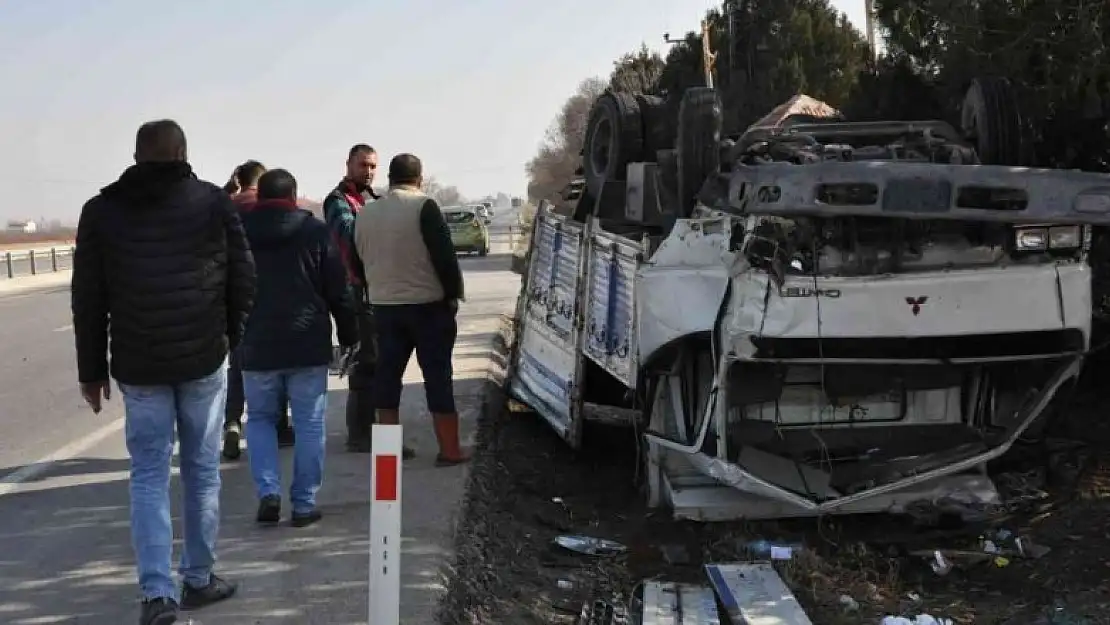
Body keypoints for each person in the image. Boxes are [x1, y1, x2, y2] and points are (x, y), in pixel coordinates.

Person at [71, 119, 252, 624]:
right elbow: (244, 276)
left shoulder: (101, 211)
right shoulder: (213, 202)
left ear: (135, 155)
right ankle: (197, 578)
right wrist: (228, 338)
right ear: (183, 153)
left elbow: (88, 300)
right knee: (201, 471)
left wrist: (91, 371)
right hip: (202, 360)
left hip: (139, 363)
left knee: (148, 475)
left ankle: (157, 596)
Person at [237, 169, 359, 526]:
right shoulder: (315, 232)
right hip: (307, 344)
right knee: (309, 424)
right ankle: (303, 504)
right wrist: (350, 335)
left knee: (259, 419)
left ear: (260, 198)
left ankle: (268, 493)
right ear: (293, 196)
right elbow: (340, 290)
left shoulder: (241, 235)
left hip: (257, 345)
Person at [353, 153, 469, 466]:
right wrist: (453, 295)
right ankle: (449, 450)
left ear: (389, 178)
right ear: (419, 178)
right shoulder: (424, 206)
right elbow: (445, 257)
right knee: (437, 376)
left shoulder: (365, 213)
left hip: (384, 307)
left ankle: (387, 454)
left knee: (387, 377)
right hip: (428, 307)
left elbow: (356, 260)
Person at [221, 160, 295, 460]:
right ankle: (277, 424)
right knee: (274, 363)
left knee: (238, 364)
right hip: (271, 296)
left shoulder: (225, 206)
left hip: (233, 297)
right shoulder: (264, 206)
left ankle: (232, 421)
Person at [322, 144, 384, 453]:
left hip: (376, 291)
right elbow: (349, 235)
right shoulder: (338, 201)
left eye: (373, 166)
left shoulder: (370, 200)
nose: (369, 171)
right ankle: (360, 435)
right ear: (348, 164)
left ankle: (375, 433)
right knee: (365, 363)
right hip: (356, 292)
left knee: (378, 363)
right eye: (363, 165)